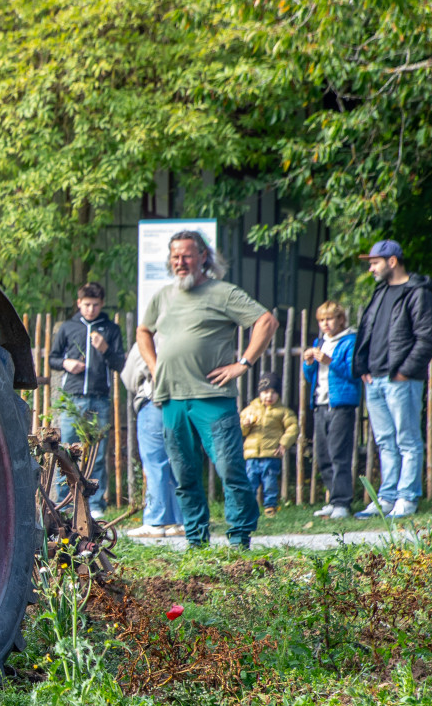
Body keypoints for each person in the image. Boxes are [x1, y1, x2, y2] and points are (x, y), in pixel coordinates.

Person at [136, 231, 277, 550]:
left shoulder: (223, 292)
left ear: (203, 256)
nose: (180, 262)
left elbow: (266, 320)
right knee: (184, 475)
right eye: (175, 257)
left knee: (230, 469)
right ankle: (196, 541)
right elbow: (143, 331)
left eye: (187, 255)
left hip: (213, 398)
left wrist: (243, 363)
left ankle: (240, 539)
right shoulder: (162, 296)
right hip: (171, 398)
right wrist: (156, 366)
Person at [351, 240, 432, 517]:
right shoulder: (380, 292)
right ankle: (386, 499)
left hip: (400, 379)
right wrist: (363, 367)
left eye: (374, 262)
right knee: (385, 442)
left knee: (407, 440)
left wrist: (403, 372)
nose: (370, 268)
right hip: (374, 379)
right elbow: (367, 332)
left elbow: (427, 339)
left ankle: (407, 499)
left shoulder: (418, 292)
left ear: (392, 261)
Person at [48, 282, 126, 516]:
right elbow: (52, 358)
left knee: (98, 454)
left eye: (95, 305)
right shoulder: (68, 328)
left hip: (100, 399)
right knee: (67, 453)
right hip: (73, 400)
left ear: (101, 304)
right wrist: (65, 363)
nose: (91, 309)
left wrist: (105, 349)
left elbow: (120, 363)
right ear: (79, 303)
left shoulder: (110, 329)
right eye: (86, 305)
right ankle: (65, 503)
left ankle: (95, 505)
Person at [301, 301, 362, 519]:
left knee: (339, 453)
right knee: (324, 454)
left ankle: (342, 503)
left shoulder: (350, 341)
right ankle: (333, 499)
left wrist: (330, 360)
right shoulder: (319, 342)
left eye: (329, 319)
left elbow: (353, 371)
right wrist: (308, 364)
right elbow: (311, 378)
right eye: (321, 320)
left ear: (340, 320)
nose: (325, 324)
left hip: (341, 404)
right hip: (320, 403)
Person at [120, 347, 182, 539]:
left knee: (155, 463)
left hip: (154, 401)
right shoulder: (183, 331)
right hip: (181, 402)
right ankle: (181, 520)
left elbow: (129, 375)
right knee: (178, 461)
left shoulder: (149, 338)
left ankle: (156, 521)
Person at [240, 379, 298, 516]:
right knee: (250, 481)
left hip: (271, 454)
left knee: (270, 481)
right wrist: (245, 425)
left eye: (273, 393)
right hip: (252, 455)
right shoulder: (250, 410)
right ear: (259, 393)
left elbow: (293, 428)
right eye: (265, 392)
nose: (269, 396)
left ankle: (270, 506)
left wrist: (284, 443)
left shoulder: (283, 412)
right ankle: (248, 507)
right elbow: (241, 431)